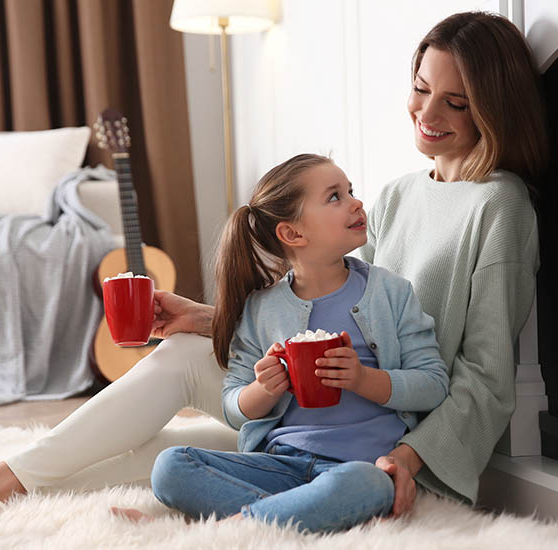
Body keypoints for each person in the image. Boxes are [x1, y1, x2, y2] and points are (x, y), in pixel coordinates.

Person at [0, 11, 547, 517]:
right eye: (421, 91)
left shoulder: (499, 207)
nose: (427, 114)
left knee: (159, 450)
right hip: (307, 421)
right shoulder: (404, 192)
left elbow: (482, 374)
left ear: (494, 105)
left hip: (384, 428)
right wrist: (209, 317)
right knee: (174, 389)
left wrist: (409, 458)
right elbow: (331, 304)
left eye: (456, 102)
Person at [133, 153, 449, 533]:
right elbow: (234, 406)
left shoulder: (392, 293)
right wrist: (262, 390)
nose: (356, 202)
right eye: (335, 197)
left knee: (368, 486)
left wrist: (362, 379)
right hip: (281, 465)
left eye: (350, 191)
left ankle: (239, 523)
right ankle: (290, 514)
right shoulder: (260, 308)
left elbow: (433, 385)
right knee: (171, 467)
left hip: (357, 466)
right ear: (293, 234)